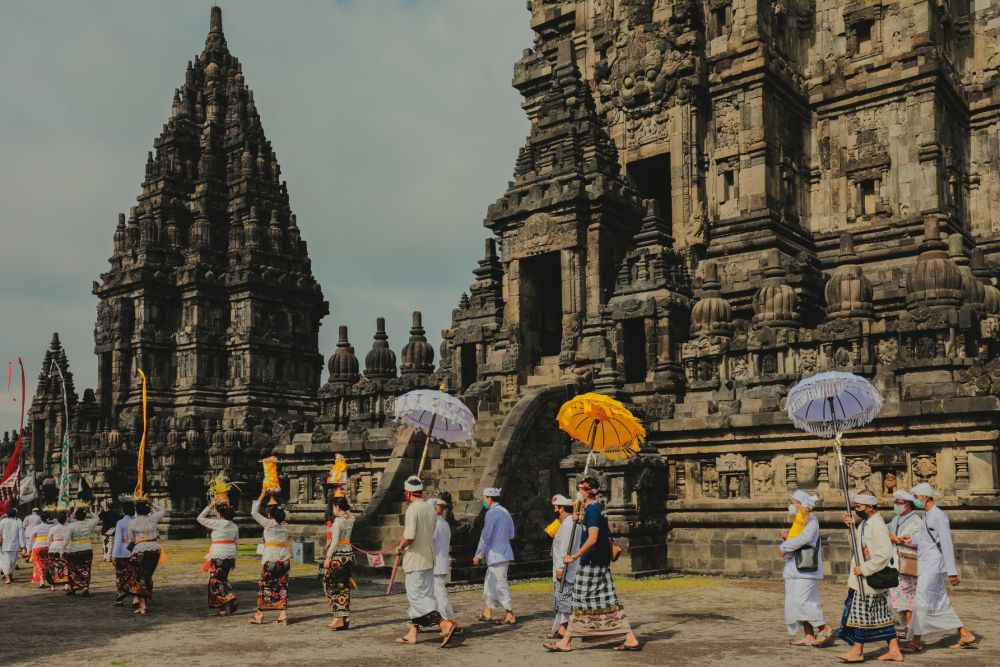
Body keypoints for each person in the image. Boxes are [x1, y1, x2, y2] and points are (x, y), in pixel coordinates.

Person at [544, 477, 640, 652]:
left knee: (579, 600)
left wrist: (574, 556)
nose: (578, 493)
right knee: (608, 599)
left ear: (587, 492)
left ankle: (566, 641)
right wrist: (580, 519)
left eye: (580, 489)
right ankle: (630, 637)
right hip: (598, 562)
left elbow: (593, 538)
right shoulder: (594, 509)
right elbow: (594, 530)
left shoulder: (594, 509)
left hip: (591, 563)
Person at [900, 483, 978, 652]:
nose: (914, 500)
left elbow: (946, 544)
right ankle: (965, 633)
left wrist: (951, 571)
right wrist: (911, 539)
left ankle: (915, 641)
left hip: (933, 565)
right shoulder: (926, 515)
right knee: (938, 601)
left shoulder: (939, 516)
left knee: (921, 601)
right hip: (926, 563)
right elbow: (925, 537)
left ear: (925, 497)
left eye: (916, 496)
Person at [836, 489, 904, 663]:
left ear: (869, 506)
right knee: (882, 615)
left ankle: (857, 650)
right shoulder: (867, 522)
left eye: (858, 506)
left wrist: (865, 569)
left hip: (868, 579)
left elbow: (884, 554)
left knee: (860, 615)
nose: (857, 509)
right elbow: (858, 547)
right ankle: (894, 650)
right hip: (864, 579)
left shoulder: (877, 525)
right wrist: (852, 528)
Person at [394, 476, 457, 647]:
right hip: (429, 559)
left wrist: (400, 547)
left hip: (415, 559)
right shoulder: (430, 509)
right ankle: (413, 633)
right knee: (423, 595)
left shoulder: (413, 509)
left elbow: (409, 536)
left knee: (417, 597)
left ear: (408, 494)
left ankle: (444, 624)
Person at [778, 490, 832, 646]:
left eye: (793, 502)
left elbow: (805, 538)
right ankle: (809, 635)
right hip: (794, 568)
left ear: (801, 504)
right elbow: (799, 538)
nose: (791, 505)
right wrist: (788, 537)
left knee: (803, 601)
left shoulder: (811, 520)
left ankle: (824, 627)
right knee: (795, 602)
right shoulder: (800, 520)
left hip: (806, 569)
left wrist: (785, 545)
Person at [473, 487, 516, 624]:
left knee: (500, 583)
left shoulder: (492, 513)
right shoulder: (505, 511)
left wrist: (479, 554)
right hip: (503, 552)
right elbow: (512, 534)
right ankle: (487, 611)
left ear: (490, 499)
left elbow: (486, 536)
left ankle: (509, 613)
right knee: (490, 583)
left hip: (497, 554)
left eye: (485, 498)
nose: (483, 501)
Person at [250, 489, 290, 625]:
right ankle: (283, 614)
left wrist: (262, 495)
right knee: (282, 586)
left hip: (271, 559)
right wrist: (274, 498)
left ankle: (259, 614)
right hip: (285, 560)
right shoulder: (285, 525)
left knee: (265, 586)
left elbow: (254, 512)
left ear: (268, 513)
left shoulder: (269, 524)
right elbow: (285, 513)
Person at [887, 490, 923, 635]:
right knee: (896, 595)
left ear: (907, 505)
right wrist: (891, 537)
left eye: (899, 503)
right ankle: (905, 624)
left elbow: (917, 539)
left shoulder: (917, 521)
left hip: (908, 561)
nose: (896, 505)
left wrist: (900, 539)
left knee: (908, 594)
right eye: (895, 503)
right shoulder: (896, 519)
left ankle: (910, 625)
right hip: (895, 561)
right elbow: (887, 530)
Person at [197, 500, 239, 616]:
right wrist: (234, 558)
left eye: (217, 512)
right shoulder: (234, 526)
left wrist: (209, 506)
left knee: (215, 581)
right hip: (229, 554)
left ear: (220, 514)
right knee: (222, 579)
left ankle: (228, 597)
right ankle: (222, 609)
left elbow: (200, 518)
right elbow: (236, 543)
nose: (216, 514)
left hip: (218, 554)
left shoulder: (217, 523)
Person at [125, 498, 165, 614]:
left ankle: (143, 606)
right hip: (154, 550)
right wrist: (151, 503)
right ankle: (144, 603)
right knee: (147, 576)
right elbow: (163, 510)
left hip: (140, 550)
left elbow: (131, 540)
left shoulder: (132, 523)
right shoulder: (152, 518)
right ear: (148, 509)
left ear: (136, 510)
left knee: (139, 578)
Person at [548, 494, 579, 640]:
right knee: (561, 597)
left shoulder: (568, 525)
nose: (555, 511)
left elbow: (565, 548)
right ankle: (561, 628)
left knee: (564, 597)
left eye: (556, 508)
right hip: (568, 566)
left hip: (566, 567)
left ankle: (565, 629)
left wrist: (561, 567)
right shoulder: (571, 524)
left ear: (562, 509)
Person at [322, 496, 355, 630]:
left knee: (330, 585)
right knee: (344, 586)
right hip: (349, 556)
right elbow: (350, 512)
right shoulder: (351, 519)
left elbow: (335, 541)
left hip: (338, 558)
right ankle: (345, 617)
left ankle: (338, 617)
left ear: (337, 507)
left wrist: (328, 557)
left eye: (334, 507)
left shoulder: (338, 522)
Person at [429, 497, 459, 631]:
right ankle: (430, 621)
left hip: (435, 563)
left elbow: (430, 543)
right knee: (432, 595)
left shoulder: (434, 524)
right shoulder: (444, 523)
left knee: (440, 595)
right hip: (440, 562)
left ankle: (451, 621)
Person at [64, 506, 99, 596]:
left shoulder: (71, 526)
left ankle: (74, 588)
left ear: (75, 516)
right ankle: (85, 587)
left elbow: (66, 540)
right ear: (85, 516)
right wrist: (90, 511)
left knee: (73, 569)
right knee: (86, 568)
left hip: (74, 549)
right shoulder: (89, 523)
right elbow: (97, 518)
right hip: (87, 548)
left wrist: (62, 550)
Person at [111, 501, 135, 606]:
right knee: (134, 575)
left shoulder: (120, 523)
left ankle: (120, 597)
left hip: (122, 551)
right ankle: (135, 598)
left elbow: (117, 540)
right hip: (134, 550)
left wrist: (114, 554)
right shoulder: (136, 521)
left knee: (120, 575)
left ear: (123, 511)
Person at [25, 510, 52, 587]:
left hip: (37, 547)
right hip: (47, 547)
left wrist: (28, 550)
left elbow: (31, 540)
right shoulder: (51, 527)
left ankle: (41, 580)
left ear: (40, 518)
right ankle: (45, 578)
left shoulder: (36, 528)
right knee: (46, 564)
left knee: (38, 564)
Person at [0, 507, 26, 584]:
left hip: (5, 545)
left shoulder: (3, 521)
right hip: (15, 545)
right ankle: (8, 576)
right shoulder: (18, 521)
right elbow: (21, 535)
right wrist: (23, 546)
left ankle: (8, 576)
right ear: (15, 514)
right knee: (13, 562)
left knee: (6, 561)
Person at [47, 510, 71, 590]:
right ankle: (66, 584)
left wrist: (49, 548)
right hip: (66, 547)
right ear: (66, 519)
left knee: (53, 566)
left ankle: (52, 585)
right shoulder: (69, 527)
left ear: (57, 519)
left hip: (54, 547)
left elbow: (49, 540)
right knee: (66, 566)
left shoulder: (53, 528)